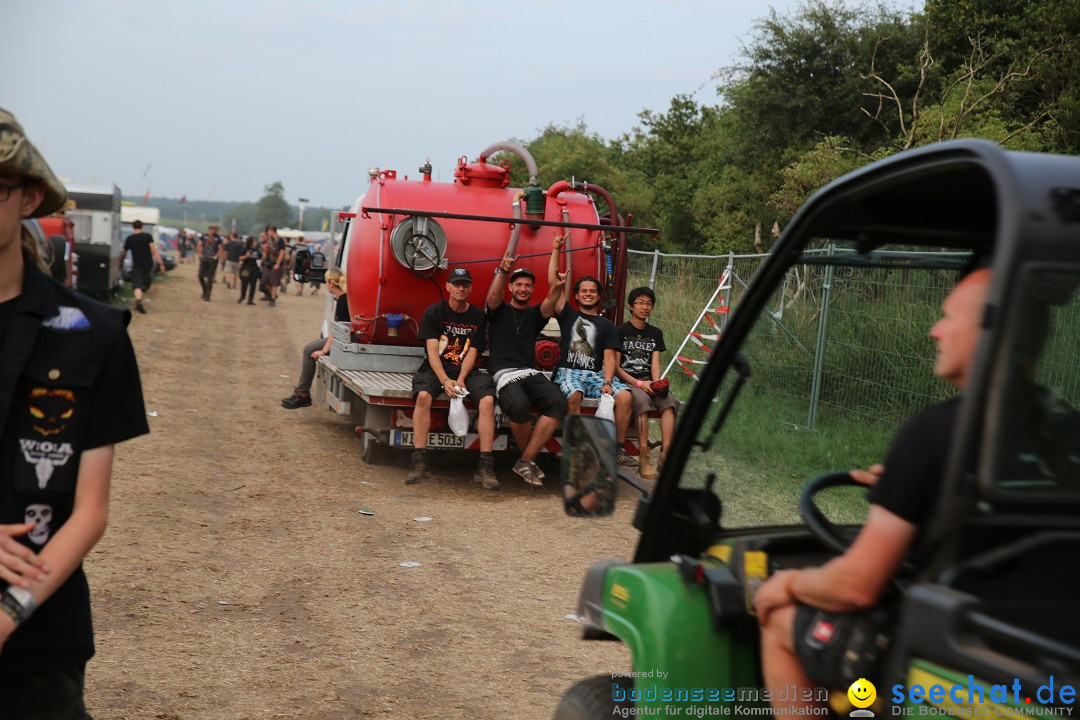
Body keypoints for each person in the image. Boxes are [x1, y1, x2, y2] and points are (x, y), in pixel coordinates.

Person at [754, 268, 993, 716]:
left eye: (949, 318)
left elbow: (857, 587)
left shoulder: (935, 433)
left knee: (778, 618)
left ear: (989, 328)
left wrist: (786, 582)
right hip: (1026, 645)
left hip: (944, 652)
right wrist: (913, 489)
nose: (934, 330)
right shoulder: (1061, 433)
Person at [0, 107, 150, 718]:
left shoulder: (93, 333)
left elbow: (90, 510)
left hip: (39, 640)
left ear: (29, 196)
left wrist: (8, 615)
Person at [405, 267, 499, 489]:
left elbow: (473, 352)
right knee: (423, 397)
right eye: (456, 283)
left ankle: (485, 466)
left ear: (470, 288)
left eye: (465, 284)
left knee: (487, 400)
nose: (461, 288)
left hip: (465, 370)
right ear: (448, 286)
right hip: (436, 368)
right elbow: (432, 351)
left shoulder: (477, 316)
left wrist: (462, 378)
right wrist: (445, 380)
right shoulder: (433, 312)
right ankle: (419, 461)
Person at [484, 238, 568, 486]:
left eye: (528, 285)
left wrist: (559, 282)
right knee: (519, 407)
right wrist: (503, 271)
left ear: (532, 289)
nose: (523, 289)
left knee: (557, 403)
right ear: (511, 288)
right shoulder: (498, 310)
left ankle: (525, 460)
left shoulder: (535, 314)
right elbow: (492, 295)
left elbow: (552, 298)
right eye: (518, 285)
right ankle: (528, 462)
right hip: (503, 373)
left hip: (529, 371)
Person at [547, 236, 634, 463]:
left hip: (595, 375)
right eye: (583, 291)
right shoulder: (568, 315)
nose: (588, 294)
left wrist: (607, 382)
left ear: (598, 296)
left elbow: (609, 356)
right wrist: (556, 249)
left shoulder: (606, 325)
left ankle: (618, 449)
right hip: (570, 371)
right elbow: (551, 283)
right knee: (574, 394)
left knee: (624, 397)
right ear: (576, 295)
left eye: (592, 291)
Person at [615, 286, 680, 479]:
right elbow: (617, 367)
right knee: (642, 403)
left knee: (669, 402)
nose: (645, 307)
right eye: (640, 303)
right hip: (628, 383)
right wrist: (639, 384)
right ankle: (643, 455)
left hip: (648, 381)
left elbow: (655, 363)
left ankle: (665, 454)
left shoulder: (655, 333)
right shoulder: (621, 330)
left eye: (649, 303)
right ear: (631, 306)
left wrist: (656, 383)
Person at [281, 269, 348, 409]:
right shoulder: (344, 298)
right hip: (344, 338)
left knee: (309, 350)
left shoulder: (343, 300)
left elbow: (338, 333)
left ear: (331, 283)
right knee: (309, 349)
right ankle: (301, 392)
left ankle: (302, 394)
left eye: (325, 281)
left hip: (345, 341)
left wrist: (323, 351)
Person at [119, 219, 166, 315]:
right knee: (144, 285)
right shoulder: (148, 237)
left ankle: (138, 300)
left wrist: (121, 263)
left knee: (137, 284)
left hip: (136, 265)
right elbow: (154, 251)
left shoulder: (130, 238)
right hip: (148, 265)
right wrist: (160, 263)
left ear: (133, 227)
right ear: (142, 227)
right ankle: (139, 301)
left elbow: (124, 253)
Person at [196, 225, 223, 301]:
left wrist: (216, 256)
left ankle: (207, 295)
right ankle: (205, 289)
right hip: (204, 258)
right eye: (214, 230)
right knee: (200, 275)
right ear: (210, 229)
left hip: (212, 260)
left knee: (210, 278)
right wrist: (200, 254)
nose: (215, 231)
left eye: (216, 230)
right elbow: (199, 245)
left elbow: (220, 249)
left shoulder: (218, 238)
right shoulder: (204, 236)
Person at [261, 226, 285, 307]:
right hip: (268, 263)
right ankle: (272, 294)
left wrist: (278, 263)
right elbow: (266, 252)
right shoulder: (268, 240)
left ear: (272, 231)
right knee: (265, 281)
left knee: (274, 282)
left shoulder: (280, 240)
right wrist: (265, 250)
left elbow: (282, 252)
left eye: (268, 231)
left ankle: (272, 299)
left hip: (275, 263)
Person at [237, 236, 262, 305]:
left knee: (253, 285)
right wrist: (246, 256)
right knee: (244, 283)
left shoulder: (257, 250)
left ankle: (250, 299)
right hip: (246, 268)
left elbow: (261, 257)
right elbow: (240, 258)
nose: (255, 243)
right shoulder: (245, 249)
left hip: (254, 268)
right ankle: (242, 296)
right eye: (254, 241)